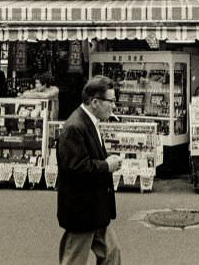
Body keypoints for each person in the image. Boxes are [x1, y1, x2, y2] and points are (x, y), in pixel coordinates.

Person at [57, 75, 122, 265]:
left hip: (96, 208)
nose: (113, 106)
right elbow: (75, 168)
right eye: (110, 101)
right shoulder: (74, 127)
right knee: (74, 260)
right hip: (82, 210)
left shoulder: (88, 122)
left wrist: (107, 161)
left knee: (112, 253)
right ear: (95, 102)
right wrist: (106, 165)